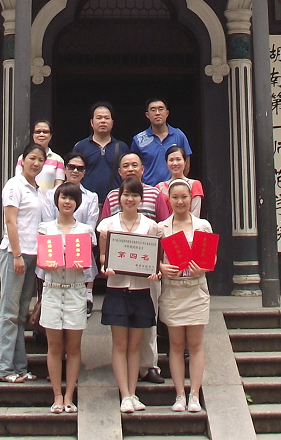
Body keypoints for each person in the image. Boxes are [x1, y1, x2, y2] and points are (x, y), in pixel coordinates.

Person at [101, 152, 170, 384]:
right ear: (120, 171)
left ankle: (148, 366)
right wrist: (106, 263)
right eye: (125, 165)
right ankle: (127, 379)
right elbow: (105, 239)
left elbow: (164, 228)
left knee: (148, 323)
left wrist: (159, 265)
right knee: (122, 335)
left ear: (143, 169)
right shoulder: (112, 197)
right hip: (119, 278)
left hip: (146, 274)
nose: (130, 169)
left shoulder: (155, 194)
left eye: (135, 165)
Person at [97, 178, 162, 413]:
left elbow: (156, 260)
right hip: (117, 290)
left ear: (141, 199)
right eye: (126, 194)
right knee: (120, 344)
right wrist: (105, 267)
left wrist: (155, 272)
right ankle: (124, 394)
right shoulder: (108, 225)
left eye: (135, 195)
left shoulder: (151, 226)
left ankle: (133, 393)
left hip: (141, 290)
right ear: (119, 197)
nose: (130, 199)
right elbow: (103, 258)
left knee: (135, 345)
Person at [0, 143, 46, 383]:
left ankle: (20, 367)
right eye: (32, 158)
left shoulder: (37, 189)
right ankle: (2, 368)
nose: (36, 163)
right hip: (15, 253)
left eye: (40, 160)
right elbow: (10, 222)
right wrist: (16, 255)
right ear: (22, 160)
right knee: (9, 312)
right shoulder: (14, 185)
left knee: (21, 313)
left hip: (32, 254)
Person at [38, 183, 95, 414]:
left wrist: (80, 262)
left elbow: (87, 262)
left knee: (73, 347)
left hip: (75, 290)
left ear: (77, 203)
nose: (67, 202)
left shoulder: (85, 230)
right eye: (63, 197)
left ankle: (70, 396)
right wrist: (47, 262)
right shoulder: (45, 228)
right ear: (57, 200)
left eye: (72, 198)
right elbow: (41, 259)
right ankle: (57, 396)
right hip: (52, 289)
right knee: (54, 346)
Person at [158, 178, 214, 413]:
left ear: (191, 199)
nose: (180, 201)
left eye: (184, 197)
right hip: (173, 290)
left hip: (196, 289)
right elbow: (155, 259)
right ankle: (179, 394)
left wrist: (203, 267)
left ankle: (194, 395)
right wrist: (162, 268)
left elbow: (211, 259)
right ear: (169, 200)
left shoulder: (202, 226)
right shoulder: (161, 228)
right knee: (176, 344)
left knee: (196, 344)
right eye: (175, 197)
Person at [42, 152, 99, 317]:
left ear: (84, 172)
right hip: (54, 252)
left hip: (80, 251)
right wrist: (61, 248)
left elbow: (90, 227)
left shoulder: (91, 197)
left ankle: (87, 296)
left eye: (80, 168)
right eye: (71, 167)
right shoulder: (50, 194)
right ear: (65, 169)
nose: (75, 171)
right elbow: (48, 224)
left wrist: (74, 250)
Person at [73, 102, 128, 204]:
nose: (103, 121)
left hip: (115, 202)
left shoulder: (122, 147)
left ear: (112, 122)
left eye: (106, 118)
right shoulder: (81, 147)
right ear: (92, 122)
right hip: (86, 202)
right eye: (99, 118)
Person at [131, 98, 192, 187]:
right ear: (147, 115)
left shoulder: (179, 135)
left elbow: (186, 163)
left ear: (167, 113)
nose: (157, 113)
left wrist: (179, 183)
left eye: (160, 109)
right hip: (149, 190)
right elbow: (133, 166)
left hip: (173, 190)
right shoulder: (139, 140)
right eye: (153, 110)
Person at [16, 119, 65, 196]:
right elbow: (19, 180)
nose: (41, 134)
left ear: (50, 136)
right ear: (33, 135)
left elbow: (59, 185)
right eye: (38, 132)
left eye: (45, 132)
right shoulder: (22, 158)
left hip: (49, 201)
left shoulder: (58, 160)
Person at [156, 145, 204, 217]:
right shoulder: (159, 187)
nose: (175, 163)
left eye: (178, 159)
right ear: (166, 163)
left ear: (185, 162)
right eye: (171, 160)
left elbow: (196, 214)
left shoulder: (195, 184)